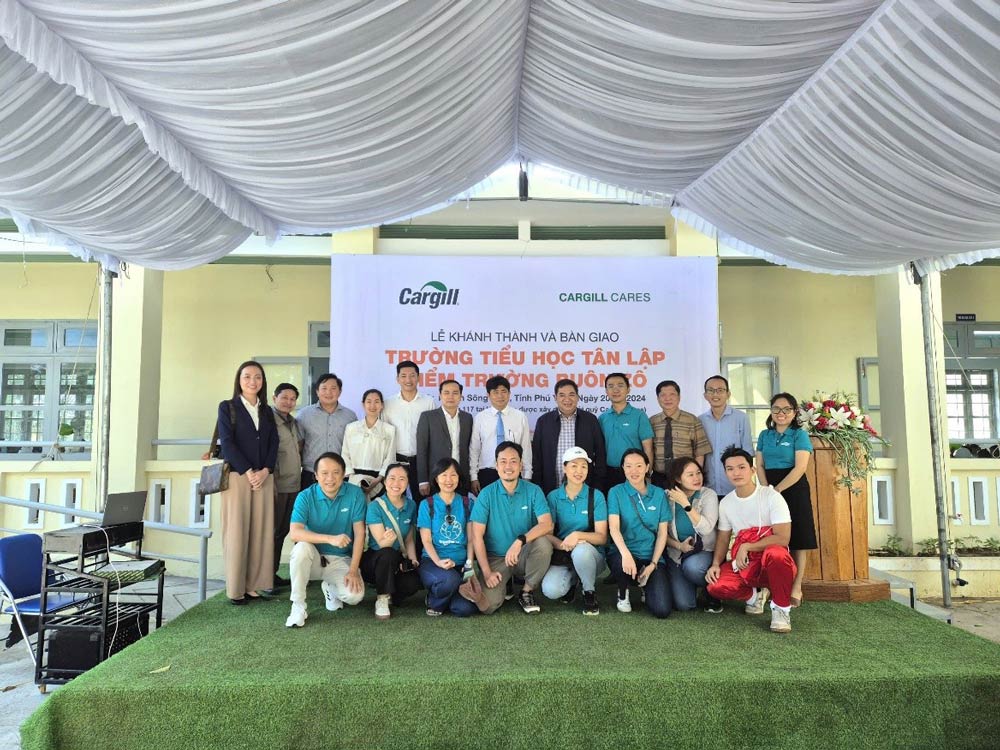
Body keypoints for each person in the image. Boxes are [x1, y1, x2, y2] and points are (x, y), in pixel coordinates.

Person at [706, 447, 796, 633]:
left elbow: (783, 537)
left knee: (776, 554)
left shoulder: (771, 496)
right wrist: (715, 564)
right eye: (730, 469)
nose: (736, 473)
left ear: (752, 470)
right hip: (744, 563)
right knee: (715, 586)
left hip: (771, 560)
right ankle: (754, 596)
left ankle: (781, 609)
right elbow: (723, 538)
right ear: (725, 472)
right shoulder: (726, 503)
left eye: (741, 467)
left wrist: (747, 545)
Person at [460, 442, 553, 614]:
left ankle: (526, 591)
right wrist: (487, 573)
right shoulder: (486, 494)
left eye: (513, 461)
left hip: (523, 552)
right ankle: (506, 582)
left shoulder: (534, 490)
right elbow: (477, 536)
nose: (508, 466)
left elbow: (546, 524)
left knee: (543, 543)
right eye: (503, 461)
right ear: (496, 465)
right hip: (496, 557)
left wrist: (520, 541)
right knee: (487, 606)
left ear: (521, 465)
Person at [217, 360, 278, 605]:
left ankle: (254, 585)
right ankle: (236, 589)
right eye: (247, 377)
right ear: (239, 380)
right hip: (238, 477)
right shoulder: (227, 407)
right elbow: (227, 442)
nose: (253, 381)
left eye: (258, 377)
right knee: (237, 532)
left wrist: (266, 470)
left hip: (263, 477)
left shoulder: (266, 410)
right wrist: (249, 471)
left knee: (261, 531)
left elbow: (274, 442)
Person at [285, 453, 366, 628]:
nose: (330, 478)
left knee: (354, 596)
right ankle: (298, 605)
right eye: (324, 473)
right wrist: (330, 539)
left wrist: (353, 570)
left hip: (340, 559)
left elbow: (360, 534)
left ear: (344, 474)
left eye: (336, 472)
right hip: (312, 558)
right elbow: (295, 533)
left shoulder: (355, 494)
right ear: (315, 475)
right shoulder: (305, 496)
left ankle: (331, 589)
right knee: (301, 548)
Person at [755, 392, 816, 608]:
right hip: (769, 486)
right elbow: (759, 465)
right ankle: (770, 585)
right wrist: (766, 490)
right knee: (770, 536)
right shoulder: (764, 435)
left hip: (793, 487)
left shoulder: (799, 435)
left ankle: (796, 587)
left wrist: (778, 490)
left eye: (786, 409)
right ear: (771, 412)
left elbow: (800, 467)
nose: (781, 413)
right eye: (776, 409)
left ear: (794, 412)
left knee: (798, 539)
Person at [540, 447, 608, 615]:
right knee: (551, 590)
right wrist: (563, 545)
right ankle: (574, 581)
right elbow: (547, 532)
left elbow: (602, 537)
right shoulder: (553, 497)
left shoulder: (596, 496)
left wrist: (577, 536)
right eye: (574, 466)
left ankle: (589, 592)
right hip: (563, 554)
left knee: (581, 550)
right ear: (564, 468)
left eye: (584, 466)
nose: (579, 471)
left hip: (591, 556)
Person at [607, 449, 672, 618]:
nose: (633, 471)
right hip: (624, 553)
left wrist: (653, 564)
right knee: (622, 562)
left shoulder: (659, 493)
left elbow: (662, 533)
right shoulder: (615, 492)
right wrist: (626, 554)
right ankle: (623, 592)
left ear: (647, 467)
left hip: (651, 556)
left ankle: (646, 585)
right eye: (628, 466)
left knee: (662, 610)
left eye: (638, 465)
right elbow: (613, 528)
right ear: (622, 468)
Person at [417, 458, 479, 617]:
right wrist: (438, 561)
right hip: (433, 562)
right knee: (449, 580)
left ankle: (446, 596)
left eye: (453, 475)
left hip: (460, 565)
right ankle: (435, 602)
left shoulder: (467, 503)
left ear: (459, 478)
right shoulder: (427, 504)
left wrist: (469, 563)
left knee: (465, 609)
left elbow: (471, 538)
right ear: (436, 478)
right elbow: (426, 540)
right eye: (444, 475)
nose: (448, 480)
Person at [360, 463, 422, 620]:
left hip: (397, 558)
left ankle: (393, 596)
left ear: (407, 483)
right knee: (387, 554)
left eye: (402, 479)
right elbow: (382, 544)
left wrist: (412, 559)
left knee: (412, 582)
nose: (396, 483)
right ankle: (382, 597)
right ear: (385, 482)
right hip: (375, 559)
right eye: (392, 478)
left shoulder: (411, 505)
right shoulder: (375, 506)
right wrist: (388, 539)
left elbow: (408, 538)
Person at [664, 457, 721, 613]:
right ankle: (693, 586)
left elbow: (706, 529)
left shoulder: (708, 495)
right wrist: (678, 546)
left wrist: (686, 504)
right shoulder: (666, 497)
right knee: (684, 605)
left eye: (698, 473)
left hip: (704, 552)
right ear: (677, 479)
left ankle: (711, 591)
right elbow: (660, 533)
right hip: (677, 553)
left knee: (693, 567)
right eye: (690, 474)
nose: (697, 478)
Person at [531, 378, 607, 495]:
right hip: (551, 489)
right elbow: (536, 457)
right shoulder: (544, 422)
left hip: (584, 489)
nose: (567, 399)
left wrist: (597, 486)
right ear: (555, 398)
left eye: (571, 394)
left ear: (577, 397)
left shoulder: (590, 420)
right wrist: (538, 487)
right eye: (562, 395)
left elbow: (600, 454)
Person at [383, 360, 436, 501]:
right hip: (396, 459)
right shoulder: (388, 403)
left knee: (422, 500)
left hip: (421, 460)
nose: (408, 380)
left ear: (418, 378)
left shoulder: (428, 402)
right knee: (396, 499)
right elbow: (385, 434)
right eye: (404, 376)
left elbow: (432, 434)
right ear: (397, 379)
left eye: (412, 375)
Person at [469, 376, 532, 492]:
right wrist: (473, 477)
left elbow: (526, 447)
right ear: (488, 395)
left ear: (509, 394)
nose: (500, 396)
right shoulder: (480, 418)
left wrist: (527, 475)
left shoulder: (520, 417)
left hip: (512, 471)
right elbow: (474, 449)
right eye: (495, 392)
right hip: (487, 473)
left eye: (503, 391)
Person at [269, 382, 303, 592]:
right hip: (276, 484)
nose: (288, 402)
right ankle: (264, 577)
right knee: (271, 531)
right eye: (284, 397)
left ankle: (271, 573)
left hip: (293, 483)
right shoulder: (268, 420)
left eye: (292, 399)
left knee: (282, 531)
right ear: (274, 398)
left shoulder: (292, 421)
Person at [296, 373, 357, 488]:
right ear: (317, 392)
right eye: (324, 388)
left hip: (340, 475)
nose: (328, 392)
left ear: (340, 392)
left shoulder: (350, 416)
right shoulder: (304, 415)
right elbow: (298, 445)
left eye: (333, 388)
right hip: (311, 474)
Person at [416, 379, 473, 497]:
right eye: (446, 393)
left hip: (460, 478)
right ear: (440, 395)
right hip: (436, 478)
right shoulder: (428, 417)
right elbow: (421, 450)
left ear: (461, 396)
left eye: (455, 393)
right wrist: (423, 480)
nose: (450, 396)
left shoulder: (467, 418)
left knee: (461, 511)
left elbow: (470, 449)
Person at [698, 375, 754, 497]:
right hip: (708, 488)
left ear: (728, 394)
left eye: (720, 390)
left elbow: (747, 452)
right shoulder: (700, 421)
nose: (715, 394)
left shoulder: (741, 418)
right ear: (705, 395)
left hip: (736, 488)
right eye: (711, 390)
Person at [649, 380, 711, 489]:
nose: (668, 398)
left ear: (679, 397)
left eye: (672, 394)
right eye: (663, 395)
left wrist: (695, 477)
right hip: (659, 478)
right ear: (658, 399)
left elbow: (700, 451)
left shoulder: (692, 420)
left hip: (685, 478)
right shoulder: (652, 422)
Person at [598, 373, 653, 491]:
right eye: (611, 386)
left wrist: (647, 475)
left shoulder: (639, 416)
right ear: (606, 391)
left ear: (628, 389)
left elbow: (648, 448)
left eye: (620, 385)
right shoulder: (603, 418)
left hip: (634, 473)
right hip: (609, 474)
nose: (615, 389)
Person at [341, 389, 396, 500]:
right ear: (363, 404)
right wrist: (351, 478)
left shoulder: (389, 430)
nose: (372, 405)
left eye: (376, 401)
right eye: (369, 401)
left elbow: (390, 457)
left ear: (382, 405)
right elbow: (345, 454)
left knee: (374, 513)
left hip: (377, 480)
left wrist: (379, 479)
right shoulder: (351, 428)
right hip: (353, 479)